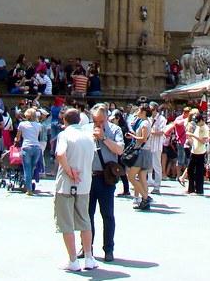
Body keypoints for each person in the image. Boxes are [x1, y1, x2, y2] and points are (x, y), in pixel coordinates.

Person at [55, 108, 98, 272]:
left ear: (65, 121)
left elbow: (60, 154)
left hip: (66, 184)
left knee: (66, 223)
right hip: (85, 183)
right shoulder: (88, 137)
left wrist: (68, 170)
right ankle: (89, 257)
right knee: (85, 221)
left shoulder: (64, 135)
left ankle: (73, 260)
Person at [86, 104, 123, 263]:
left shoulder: (115, 130)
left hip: (105, 177)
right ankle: (87, 247)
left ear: (106, 118)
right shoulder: (86, 129)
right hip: (88, 177)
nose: (98, 124)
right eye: (95, 121)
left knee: (107, 215)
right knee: (87, 215)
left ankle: (109, 249)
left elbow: (120, 150)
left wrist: (104, 138)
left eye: (101, 121)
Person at [125, 104, 153, 209]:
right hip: (145, 152)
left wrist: (132, 136)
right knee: (142, 178)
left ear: (144, 112)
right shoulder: (145, 122)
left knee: (131, 177)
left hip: (142, 152)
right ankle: (144, 200)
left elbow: (143, 139)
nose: (137, 113)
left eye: (139, 111)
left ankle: (145, 197)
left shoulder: (145, 123)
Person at [16, 108, 44, 194]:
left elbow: (18, 137)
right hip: (36, 147)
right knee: (32, 168)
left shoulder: (22, 124)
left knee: (27, 169)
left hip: (27, 147)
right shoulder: (39, 125)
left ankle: (29, 189)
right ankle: (29, 185)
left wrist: (16, 141)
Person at [186, 110, 210, 195]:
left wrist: (192, 135)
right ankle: (191, 189)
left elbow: (203, 141)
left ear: (201, 120)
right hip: (194, 151)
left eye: (198, 122)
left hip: (200, 152)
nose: (197, 124)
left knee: (199, 172)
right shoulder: (198, 127)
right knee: (190, 170)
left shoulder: (205, 128)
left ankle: (199, 190)